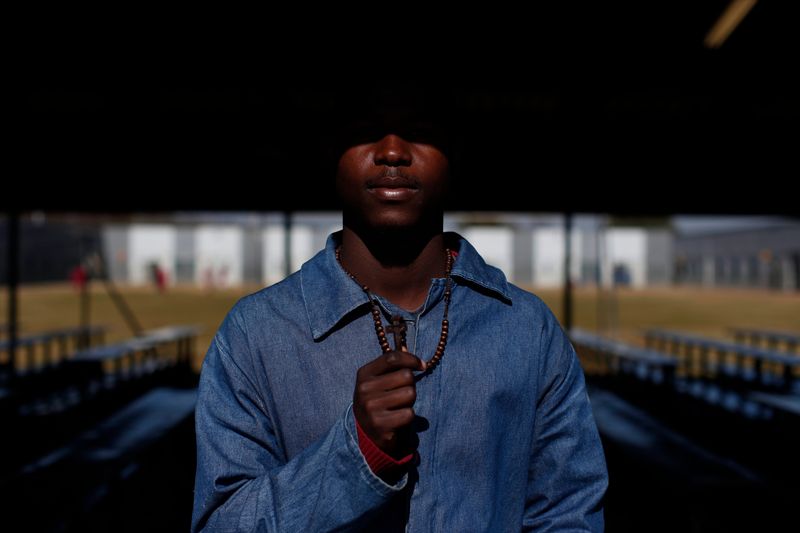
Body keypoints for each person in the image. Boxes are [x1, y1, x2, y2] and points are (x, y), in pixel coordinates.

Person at [191, 94, 608, 531]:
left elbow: (569, 513)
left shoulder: (527, 328)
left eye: (421, 131)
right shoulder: (255, 333)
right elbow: (222, 523)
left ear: (454, 155)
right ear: (330, 154)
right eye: (365, 131)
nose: (392, 151)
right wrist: (358, 454)